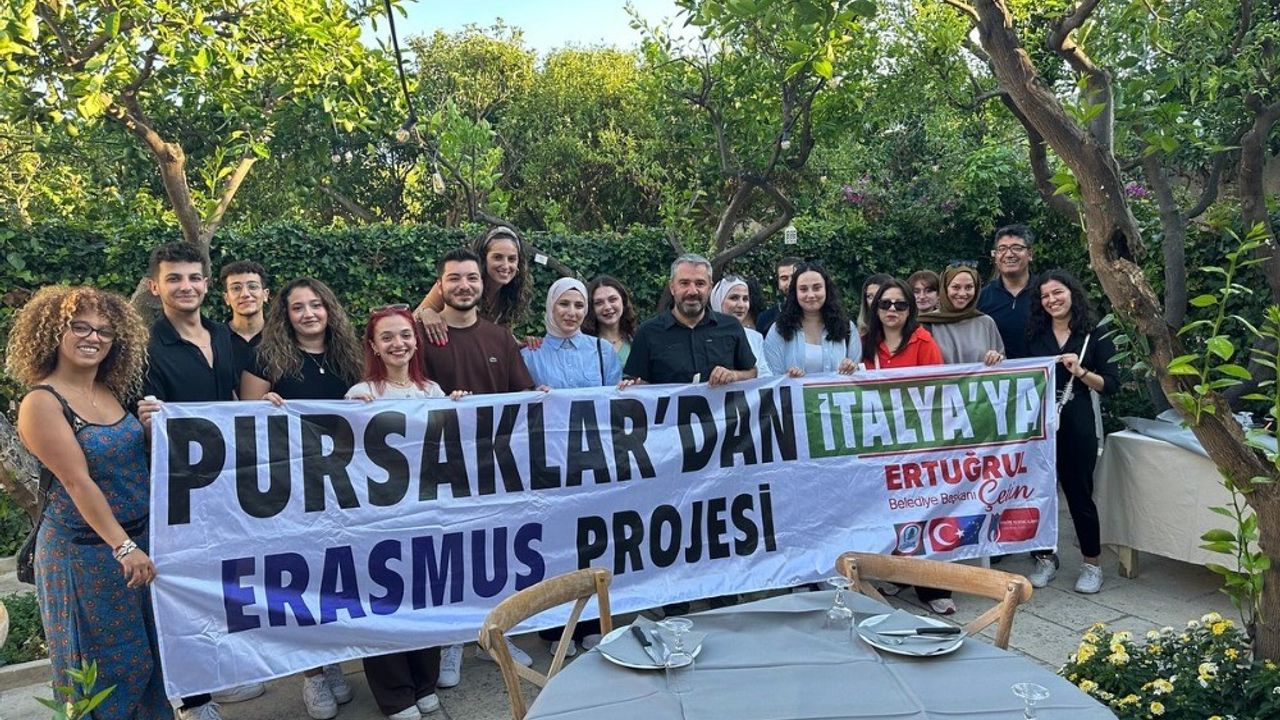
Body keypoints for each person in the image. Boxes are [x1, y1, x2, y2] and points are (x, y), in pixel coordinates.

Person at [6, 286, 169, 720]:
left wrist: (148, 433)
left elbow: (127, 461)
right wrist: (124, 546)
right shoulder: (42, 402)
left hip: (136, 549)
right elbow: (77, 482)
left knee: (148, 662)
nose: (93, 337)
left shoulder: (110, 391)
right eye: (80, 326)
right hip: (86, 556)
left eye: (104, 331)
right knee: (104, 673)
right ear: (53, 332)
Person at [136, 242, 259, 716]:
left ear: (207, 284)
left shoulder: (223, 336)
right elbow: (143, 420)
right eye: (174, 278)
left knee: (222, 579)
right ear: (155, 287)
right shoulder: (145, 347)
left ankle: (219, 674)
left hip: (225, 484)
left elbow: (237, 400)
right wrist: (148, 421)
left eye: (193, 278)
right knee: (184, 586)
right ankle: (193, 699)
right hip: (178, 488)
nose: (185, 287)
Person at [239, 277, 363, 720]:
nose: (309, 314)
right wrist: (264, 407)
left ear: (329, 309)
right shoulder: (264, 357)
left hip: (343, 486)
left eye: (316, 305)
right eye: (298, 307)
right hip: (291, 488)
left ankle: (334, 659)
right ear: (285, 315)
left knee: (337, 576)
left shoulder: (351, 357)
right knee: (301, 578)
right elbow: (244, 423)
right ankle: (311, 673)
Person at [417, 248, 537, 685]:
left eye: (471, 278)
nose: (463, 285)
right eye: (454, 278)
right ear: (440, 285)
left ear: (482, 285)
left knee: (493, 554)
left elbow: (523, 396)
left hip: (493, 469)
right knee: (448, 557)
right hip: (440, 469)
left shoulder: (500, 337)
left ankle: (494, 635)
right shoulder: (419, 336)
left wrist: (544, 396)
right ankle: (453, 641)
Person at [345, 306, 462, 720]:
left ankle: (424, 682)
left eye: (405, 335)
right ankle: (395, 694)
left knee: (426, 597)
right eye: (388, 337)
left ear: (416, 341)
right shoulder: (360, 394)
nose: (398, 344)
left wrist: (458, 408)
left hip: (425, 514)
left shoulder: (432, 391)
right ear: (374, 346)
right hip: (379, 520)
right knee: (384, 602)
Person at [1025, 270, 1119, 595]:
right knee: (1040, 492)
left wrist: (1081, 372)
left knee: (1079, 494)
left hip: (1077, 419)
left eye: (1058, 293)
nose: (1052, 300)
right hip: (1040, 422)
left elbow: (1111, 384)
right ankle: (1044, 558)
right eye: (1045, 296)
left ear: (1072, 293)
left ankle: (1092, 564)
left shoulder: (1095, 333)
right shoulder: (1035, 333)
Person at [861, 278, 952, 613]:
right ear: (876, 309)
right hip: (880, 442)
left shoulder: (923, 340)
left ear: (909, 309)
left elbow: (937, 388)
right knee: (888, 511)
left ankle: (933, 589)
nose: (892, 310)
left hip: (917, 441)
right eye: (885, 304)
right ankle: (895, 575)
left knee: (921, 510)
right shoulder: (864, 344)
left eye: (900, 304)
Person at [622, 253, 757, 387]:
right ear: (672, 287)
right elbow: (637, 383)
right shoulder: (647, 333)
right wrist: (633, 386)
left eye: (700, 284)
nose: (692, 291)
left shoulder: (731, 326)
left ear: (710, 288)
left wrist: (734, 375)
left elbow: (752, 372)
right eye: (684, 283)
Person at [414, 225, 532, 344]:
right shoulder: (458, 286)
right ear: (483, 260)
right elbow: (413, 319)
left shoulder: (508, 295)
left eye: (512, 259)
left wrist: (527, 346)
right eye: (497, 257)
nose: (506, 266)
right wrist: (425, 313)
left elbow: (501, 337)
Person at [761, 262, 859, 377]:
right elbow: (772, 378)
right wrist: (788, 379)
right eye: (803, 289)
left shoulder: (847, 328)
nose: (811, 295)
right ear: (795, 293)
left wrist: (850, 368)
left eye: (817, 288)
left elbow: (858, 376)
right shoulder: (779, 330)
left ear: (826, 289)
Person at [523, 278, 622, 390]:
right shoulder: (529, 355)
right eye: (564, 304)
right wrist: (534, 395)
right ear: (551, 306)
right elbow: (519, 397)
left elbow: (615, 396)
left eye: (579, 306)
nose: (571, 313)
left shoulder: (603, 350)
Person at [921, 264, 1005, 365]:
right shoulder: (927, 323)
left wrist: (996, 358)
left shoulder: (986, 323)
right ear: (945, 288)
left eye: (969, 287)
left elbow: (1001, 363)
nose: (962, 293)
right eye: (956, 287)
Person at [977, 224, 1037, 359]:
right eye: (1002, 249)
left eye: (1016, 248)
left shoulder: (1045, 293)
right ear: (996, 256)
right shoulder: (982, 298)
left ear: (1030, 254)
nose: (1009, 254)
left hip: (1042, 371)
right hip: (997, 371)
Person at [710, 275, 773, 377]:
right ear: (718, 300)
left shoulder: (755, 337)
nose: (741, 305)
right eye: (734, 298)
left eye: (745, 299)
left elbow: (765, 376)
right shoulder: (706, 335)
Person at [582, 275, 637, 368]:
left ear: (623, 301)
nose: (607, 307)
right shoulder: (584, 345)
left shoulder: (636, 340)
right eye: (599, 303)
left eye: (612, 300)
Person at [221, 259, 270, 345]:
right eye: (236, 288)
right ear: (226, 298)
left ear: (265, 295)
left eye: (253, 286)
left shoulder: (283, 336)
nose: (245, 294)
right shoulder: (214, 338)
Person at [755, 256, 802, 336]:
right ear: (778, 283)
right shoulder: (766, 318)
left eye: (795, 277)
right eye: (784, 278)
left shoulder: (817, 313)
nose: (790, 283)